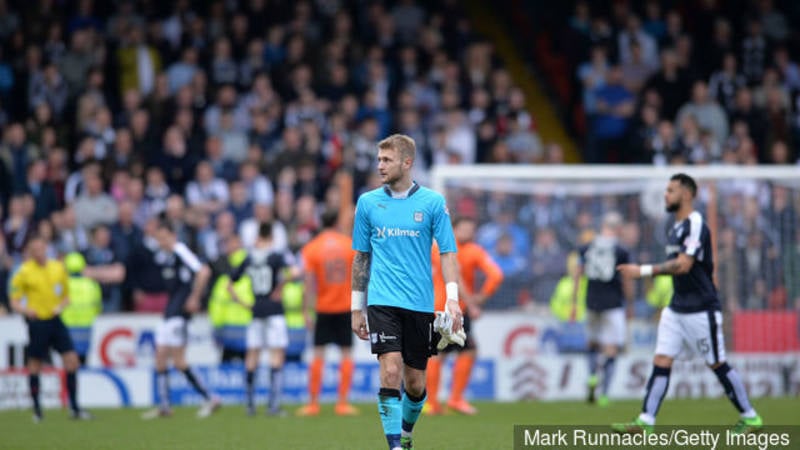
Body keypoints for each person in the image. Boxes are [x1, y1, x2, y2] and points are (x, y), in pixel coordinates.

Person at [613, 173, 763, 434]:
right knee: (661, 360)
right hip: (676, 309)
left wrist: (642, 271)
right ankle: (645, 421)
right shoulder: (674, 227)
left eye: (671, 190)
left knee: (717, 363)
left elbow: (683, 265)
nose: (665, 194)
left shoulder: (696, 223)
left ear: (686, 194)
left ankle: (750, 416)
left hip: (701, 310)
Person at [350, 134, 463, 450]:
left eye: (386, 160)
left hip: (419, 303)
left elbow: (448, 252)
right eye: (379, 159)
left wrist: (452, 299)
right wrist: (356, 307)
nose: (379, 165)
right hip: (382, 300)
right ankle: (395, 446)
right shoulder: (368, 203)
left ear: (407, 162)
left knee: (415, 384)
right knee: (390, 369)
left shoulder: (432, 203)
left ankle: (408, 433)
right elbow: (361, 256)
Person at [141, 218, 221, 419]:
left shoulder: (180, 251)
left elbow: (203, 272)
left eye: (165, 238)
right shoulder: (165, 257)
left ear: (173, 237)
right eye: (159, 239)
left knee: (178, 360)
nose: (162, 242)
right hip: (170, 312)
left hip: (179, 314)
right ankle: (165, 405)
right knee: (160, 357)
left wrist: (194, 298)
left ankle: (210, 398)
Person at [426, 216, 503, 416]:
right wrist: (474, 302)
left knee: (442, 353)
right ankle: (451, 399)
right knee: (455, 352)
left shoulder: (438, 248)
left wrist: (479, 299)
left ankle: (436, 402)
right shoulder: (459, 250)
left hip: (440, 307)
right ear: (453, 229)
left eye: (471, 229)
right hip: (452, 308)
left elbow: (496, 275)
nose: (468, 232)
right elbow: (458, 278)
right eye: (464, 228)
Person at [9, 235, 92, 422]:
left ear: (46, 248)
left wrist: (60, 306)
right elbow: (14, 302)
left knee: (72, 360)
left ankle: (75, 408)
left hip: (56, 320)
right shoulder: (23, 272)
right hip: (37, 322)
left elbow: (66, 296)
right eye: (35, 250)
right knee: (35, 364)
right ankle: (37, 411)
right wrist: (26, 310)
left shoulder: (58, 268)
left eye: (41, 248)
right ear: (30, 253)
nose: (39, 253)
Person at [228, 222, 300, 417]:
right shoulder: (277, 255)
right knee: (276, 355)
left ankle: (250, 405)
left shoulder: (248, 257)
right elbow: (295, 272)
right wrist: (280, 287)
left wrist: (243, 303)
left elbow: (230, 284)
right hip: (274, 310)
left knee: (252, 355)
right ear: (272, 237)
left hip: (256, 309)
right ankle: (273, 405)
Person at [296, 209, 359, 417]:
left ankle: (313, 403)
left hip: (323, 308)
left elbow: (309, 284)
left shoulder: (311, 248)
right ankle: (342, 403)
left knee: (318, 355)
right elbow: (359, 276)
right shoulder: (348, 245)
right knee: (346, 354)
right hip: (344, 307)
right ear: (336, 222)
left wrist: (306, 311)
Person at [573, 212, 632, 407]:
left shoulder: (586, 247)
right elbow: (626, 279)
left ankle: (591, 375)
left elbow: (577, 274)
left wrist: (574, 303)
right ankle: (605, 393)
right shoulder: (621, 250)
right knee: (611, 347)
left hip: (592, 301)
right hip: (613, 303)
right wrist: (630, 304)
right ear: (618, 229)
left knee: (592, 343)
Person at [60, 252, 103, 366]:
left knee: (68, 361)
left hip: (67, 327)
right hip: (86, 328)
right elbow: (98, 307)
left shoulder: (63, 284)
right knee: (84, 361)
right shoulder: (92, 284)